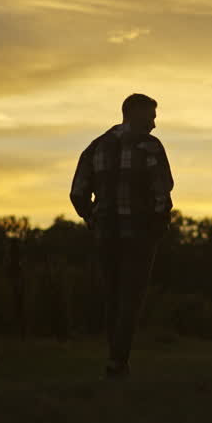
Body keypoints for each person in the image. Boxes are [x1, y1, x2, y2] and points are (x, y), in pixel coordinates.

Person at [70, 93, 173, 379]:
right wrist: (159, 224)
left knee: (113, 296)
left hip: (106, 234)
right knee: (131, 297)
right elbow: (162, 192)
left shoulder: (96, 146)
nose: (154, 123)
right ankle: (118, 361)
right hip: (140, 234)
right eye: (151, 115)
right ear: (135, 113)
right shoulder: (150, 147)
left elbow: (78, 192)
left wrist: (93, 218)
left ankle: (115, 357)